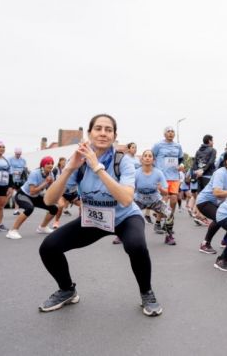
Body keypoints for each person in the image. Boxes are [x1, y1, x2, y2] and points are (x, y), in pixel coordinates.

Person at [38, 114, 162, 316]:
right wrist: (70, 168)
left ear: (114, 135)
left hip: (125, 218)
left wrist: (97, 166)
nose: (103, 133)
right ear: (89, 133)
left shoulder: (123, 161)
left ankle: (146, 292)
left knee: (136, 246)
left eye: (108, 129)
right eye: (98, 128)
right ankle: (67, 290)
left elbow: (126, 199)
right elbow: (48, 201)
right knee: (48, 247)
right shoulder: (78, 160)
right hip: (95, 219)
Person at [197, 149, 227, 254]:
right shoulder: (220, 173)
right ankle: (205, 244)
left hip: (219, 203)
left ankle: (226, 240)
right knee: (219, 217)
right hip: (205, 201)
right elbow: (217, 193)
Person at [6, 156, 58, 239]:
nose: (51, 165)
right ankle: (12, 231)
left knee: (54, 208)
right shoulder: (35, 173)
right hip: (23, 195)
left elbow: (51, 189)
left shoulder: (51, 174)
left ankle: (42, 228)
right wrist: (45, 183)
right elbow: (32, 191)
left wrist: (52, 183)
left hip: (35, 196)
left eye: (52, 163)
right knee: (29, 208)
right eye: (48, 163)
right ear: (43, 165)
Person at [132, 149, 175, 245]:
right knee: (126, 213)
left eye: (150, 156)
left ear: (153, 160)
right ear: (142, 159)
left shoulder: (158, 173)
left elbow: (165, 193)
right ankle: (121, 236)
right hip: (139, 200)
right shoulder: (136, 173)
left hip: (155, 200)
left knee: (169, 213)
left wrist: (161, 189)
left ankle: (169, 236)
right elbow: (131, 189)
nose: (147, 158)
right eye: (145, 156)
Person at [152, 126, 184, 234]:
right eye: (168, 131)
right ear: (164, 134)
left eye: (172, 131)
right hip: (162, 177)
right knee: (164, 200)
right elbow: (152, 157)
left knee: (174, 200)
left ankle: (168, 222)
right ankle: (157, 223)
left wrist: (181, 165)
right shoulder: (158, 145)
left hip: (174, 177)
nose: (170, 133)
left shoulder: (178, 146)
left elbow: (180, 159)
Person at [8, 147, 29, 215]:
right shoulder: (10, 159)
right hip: (12, 179)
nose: (18, 155)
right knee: (10, 194)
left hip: (21, 180)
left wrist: (24, 173)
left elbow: (25, 168)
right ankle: (0, 205)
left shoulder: (23, 160)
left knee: (19, 194)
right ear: (15, 153)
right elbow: (8, 168)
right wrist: (14, 172)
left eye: (19, 154)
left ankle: (16, 210)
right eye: (17, 154)